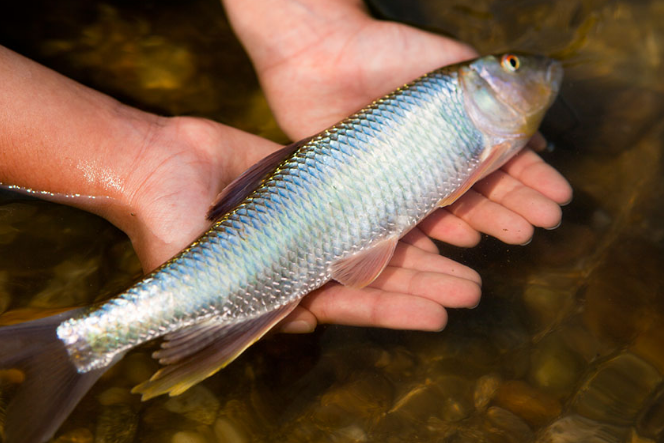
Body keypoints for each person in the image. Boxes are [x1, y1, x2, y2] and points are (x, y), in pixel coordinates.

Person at [0, 0, 571, 334]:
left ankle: (95, 337)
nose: (525, 69)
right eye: (511, 64)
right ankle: (91, 340)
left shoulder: (485, 126)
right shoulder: (466, 108)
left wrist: (301, 17)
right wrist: (133, 165)